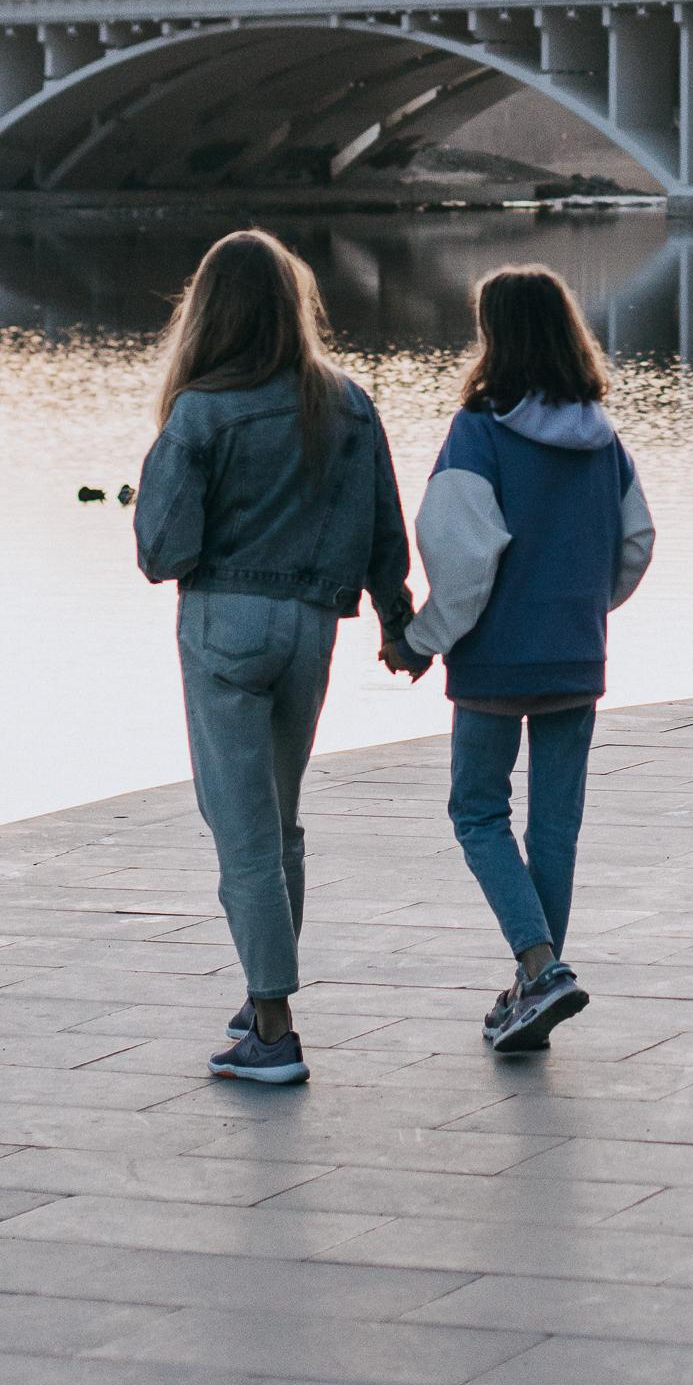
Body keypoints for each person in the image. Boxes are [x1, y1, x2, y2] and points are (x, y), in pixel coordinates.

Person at [134, 230, 417, 1086]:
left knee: (242, 834)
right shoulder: (349, 403)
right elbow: (382, 529)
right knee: (281, 824)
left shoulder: (201, 413)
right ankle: (261, 995)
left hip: (227, 623)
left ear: (206, 314)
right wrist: (395, 622)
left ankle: (274, 1029)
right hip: (310, 628)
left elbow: (161, 553)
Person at [407, 266, 655, 1054]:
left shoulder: (477, 431)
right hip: (573, 654)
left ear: (494, 335)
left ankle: (540, 968)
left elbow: (464, 553)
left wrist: (421, 638)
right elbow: (636, 542)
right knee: (556, 825)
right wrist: (586, 609)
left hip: (493, 657)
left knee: (477, 811)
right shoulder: (603, 438)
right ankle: (534, 987)